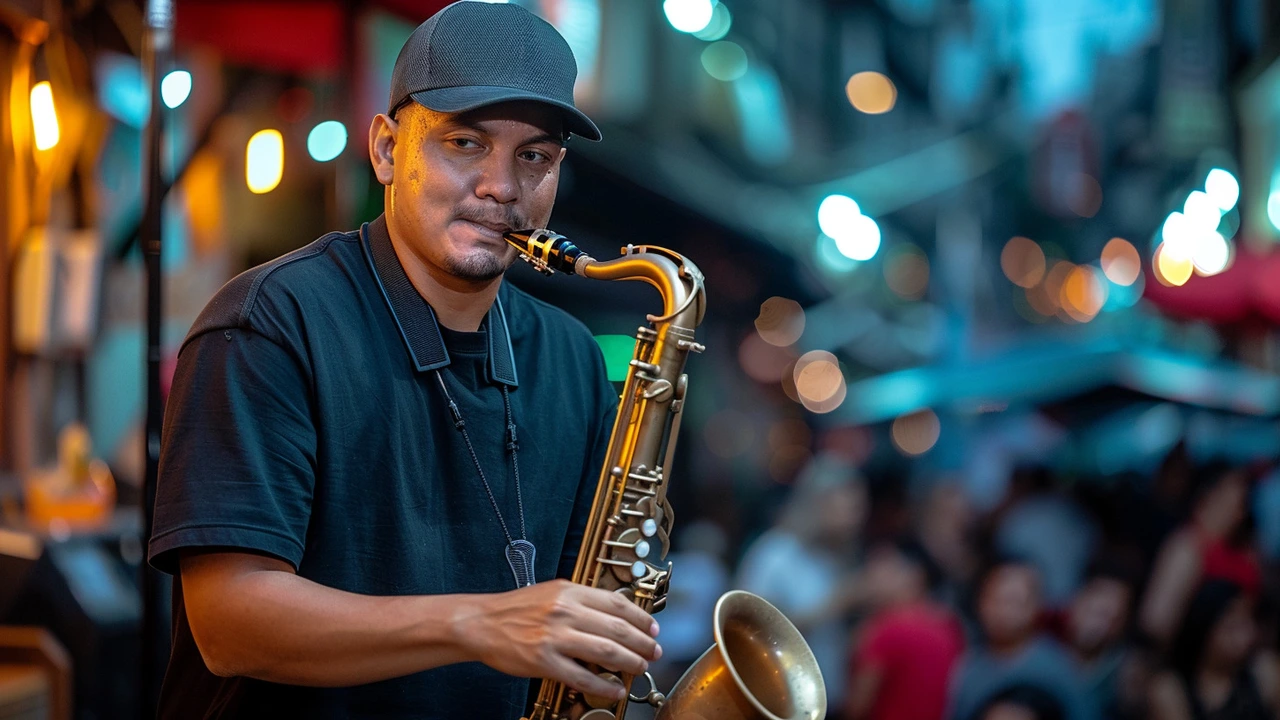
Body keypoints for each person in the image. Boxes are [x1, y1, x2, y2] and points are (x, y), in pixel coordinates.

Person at [146, 3, 662, 718]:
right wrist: (477, 624)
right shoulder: (268, 323)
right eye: (465, 143)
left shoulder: (573, 358)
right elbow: (229, 624)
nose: (502, 188)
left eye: (533, 156)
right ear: (387, 149)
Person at [947, 556, 1096, 720]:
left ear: (1037, 607)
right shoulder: (969, 662)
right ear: (981, 601)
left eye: (1015, 602)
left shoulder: (1057, 669)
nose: (1004, 611)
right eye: (997, 600)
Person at [843, 537, 965, 720]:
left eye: (882, 569)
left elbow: (857, 708)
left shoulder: (885, 629)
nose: (870, 577)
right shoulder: (949, 624)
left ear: (913, 576)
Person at [1148, 579, 1280, 720]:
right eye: (1233, 626)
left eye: (1249, 622)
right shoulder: (1169, 688)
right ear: (1204, 628)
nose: (1247, 635)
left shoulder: (1264, 671)